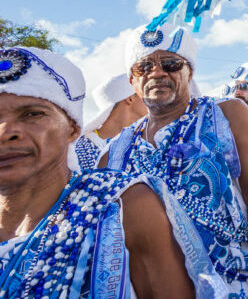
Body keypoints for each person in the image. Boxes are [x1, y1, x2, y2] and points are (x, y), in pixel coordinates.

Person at [0, 47, 224, 297]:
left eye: (32, 114)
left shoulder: (123, 204)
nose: (6, 131)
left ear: (72, 129)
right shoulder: (113, 150)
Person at [102, 23, 248, 298]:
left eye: (171, 64)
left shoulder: (227, 115)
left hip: (236, 286)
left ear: (190, 71)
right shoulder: (112, 154)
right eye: (144, 67)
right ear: (132, 81)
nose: (157, 73)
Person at [72, 73, 147, 170]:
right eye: (144, 94)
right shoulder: (79, 149)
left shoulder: (145, 144)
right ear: (130, 99)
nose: (151, 100)